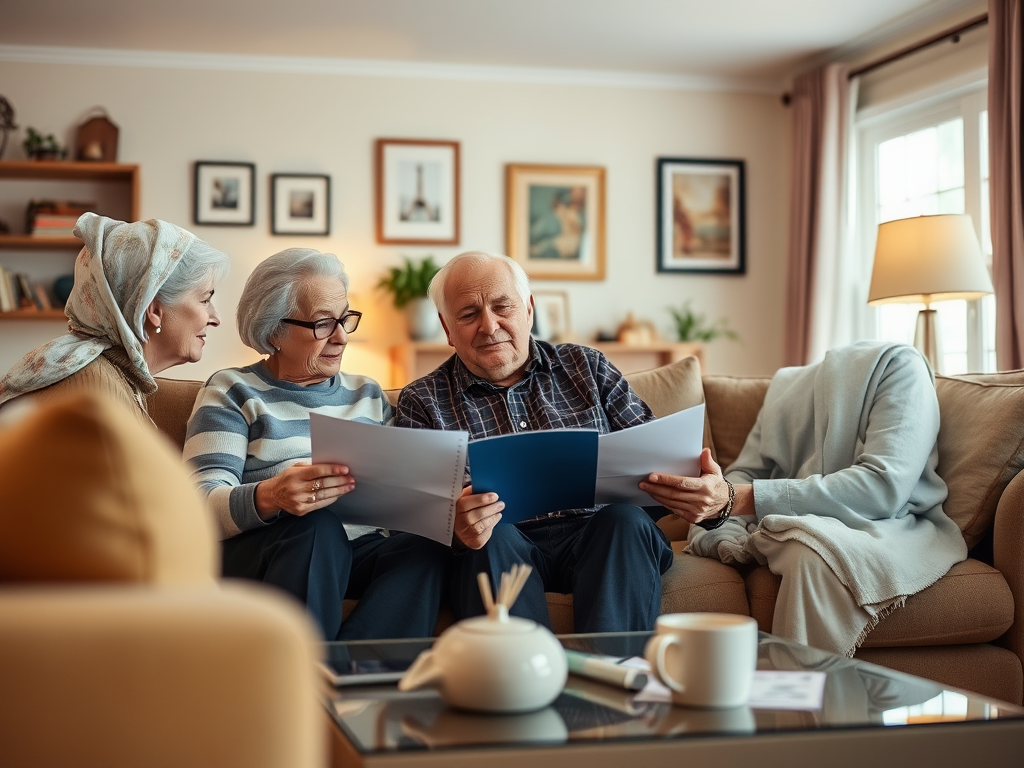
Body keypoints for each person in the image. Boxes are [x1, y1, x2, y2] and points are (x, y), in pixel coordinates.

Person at [396, 250, 674, 633]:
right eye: (468, 314)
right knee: (492, 538)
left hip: (602, 536)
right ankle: (518, 685)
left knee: (624, 520)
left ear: (528, 309)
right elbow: (413, 525)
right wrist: (453, 527)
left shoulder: (588, 368)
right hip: (502, 547)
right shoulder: (422, 401)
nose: (489, 326)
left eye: (502, 307)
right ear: (447, 328)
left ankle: (613, 677)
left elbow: (661, 463)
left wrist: (685, 479)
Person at [183, 248, 450, 641]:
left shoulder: (369, 394)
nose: (341, 336)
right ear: (274, 330)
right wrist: (270, 495)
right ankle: (302, 680)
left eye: (345, 319)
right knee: (317, 525)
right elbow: (196, 506)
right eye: (324, 324)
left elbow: (404, 499)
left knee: (428, 548)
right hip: (276, 547)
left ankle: (354, 676)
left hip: (360, 548)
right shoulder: (232, 391)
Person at [642, 341, 967, 656]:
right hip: (796, 518)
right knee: (797, 542)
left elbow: (883, 488)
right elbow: (745, 472)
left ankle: (802, 701)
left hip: (892, 524)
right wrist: (722, 525)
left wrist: (735, 500)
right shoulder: (786, 387)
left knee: (808, 551)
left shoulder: (901, 369)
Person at [0, 213, 228, 419]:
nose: (215, 318)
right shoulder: (97, 395)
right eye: (205, 299)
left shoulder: (114, 380)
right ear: (154, 310)